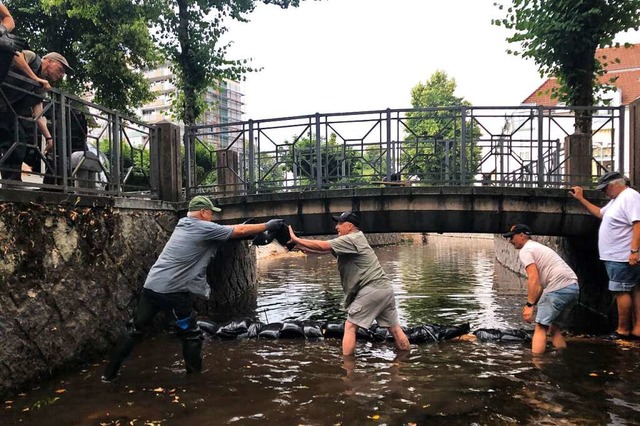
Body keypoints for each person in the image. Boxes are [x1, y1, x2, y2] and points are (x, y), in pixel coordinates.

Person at [102, 196, 286, 382]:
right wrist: (267, 225)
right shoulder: (202, 227)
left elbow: (233, 232)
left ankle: (108, 374)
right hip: (172, 292)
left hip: (152, 287)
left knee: (135, 328)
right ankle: (195, 380)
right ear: (203, 212)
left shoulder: (184, 224)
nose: (212, 216)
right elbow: (239, 229)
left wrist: (250, 229)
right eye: (211, 213)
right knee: (191, 334)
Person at [287, 211, 410, 356]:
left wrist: (296, 238)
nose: (336, 227)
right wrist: (298, 246)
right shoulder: (354, 240)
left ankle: (348, 370)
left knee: (350, 326)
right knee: (395, 329)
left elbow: (322, 246)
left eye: (340, 223)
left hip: (371, 288)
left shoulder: (352, 238)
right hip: (384, 289)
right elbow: (322, 251)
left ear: (350, 226)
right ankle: (405, 359)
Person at [570, 171, 640, 339]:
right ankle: (637, 330)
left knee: (621, 291)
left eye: (605, 188)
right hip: (617, 255)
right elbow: (601, 213)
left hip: (622, 256)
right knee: (634, 289)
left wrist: (634, 251)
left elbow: (637, 223)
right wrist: (581, 199)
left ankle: (623, 331)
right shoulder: (616, 200)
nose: (604, 192)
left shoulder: (630, 196)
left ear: (616, 184)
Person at [502, 224, 580, 354]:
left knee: (540, 327)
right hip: (573, 288)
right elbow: (540, 287)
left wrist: (529, 305)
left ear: (521, 236)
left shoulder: (526, 250)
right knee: (554, 328)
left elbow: (534, 279)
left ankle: (537, 366)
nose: (510, 241)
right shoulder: (537, 247)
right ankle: (562, 358)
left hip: (557, 288)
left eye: (512, 237)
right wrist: (533, 303)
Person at [0, 50, 72, 181]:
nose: (62, 75)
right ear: (49, 61)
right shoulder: (32, 58)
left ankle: (12, 184)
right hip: (4, 106)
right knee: (16, 142)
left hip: (6, 111)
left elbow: (38, 114)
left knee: (18, 143)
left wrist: (49, 138)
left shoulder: (40, 86)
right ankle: (12, 184)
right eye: (60, 69)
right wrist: (35, 78)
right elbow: (16, 56)